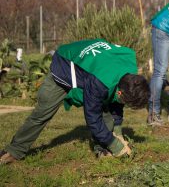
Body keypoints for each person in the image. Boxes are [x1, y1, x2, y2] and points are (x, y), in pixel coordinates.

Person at [0, 39, 149, 165]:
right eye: (125, 100)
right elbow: (92, 117)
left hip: (93, 69)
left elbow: (117, 103)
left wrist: (117, 132)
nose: (124, 104)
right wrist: (115, 144)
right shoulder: (100, 82)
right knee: (42, 113)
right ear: (120, 91)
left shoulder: (129, 72)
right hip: (65, 63)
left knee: (108, 113)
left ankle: (102, 148)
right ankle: (15, 150)